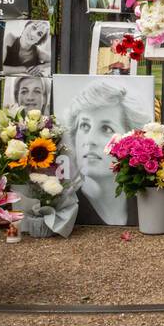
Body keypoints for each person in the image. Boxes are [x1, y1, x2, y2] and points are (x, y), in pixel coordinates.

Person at [58, 79, 145, 226]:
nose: (90, 140)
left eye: (106, 129)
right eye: (84, 125)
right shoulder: (65, 212)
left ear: (132, 139)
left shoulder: (144, 204)